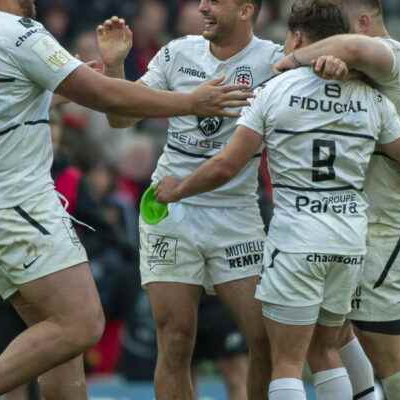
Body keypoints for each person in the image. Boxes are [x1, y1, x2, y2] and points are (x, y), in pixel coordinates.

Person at [0, 0, 253, 398]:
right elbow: (107, 99)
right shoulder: (17, 32)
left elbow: (6, 104)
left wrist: (68, 86)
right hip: (17, 204)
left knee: (60, 349)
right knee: (81, 323)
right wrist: (190, 102)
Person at [154, 1, 400, 399]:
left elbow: (226, 165)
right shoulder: (369, 97)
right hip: (351, 232)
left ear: (300, 38)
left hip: (311, 234)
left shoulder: (279, 87)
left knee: (302, 358)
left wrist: (178, 189)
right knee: (331, 343)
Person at [97, 0, 281, 397]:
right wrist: (114, 69)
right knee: (176, 341)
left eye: (215, 1)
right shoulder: (178, 52)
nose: (203, 7)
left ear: (246, 10)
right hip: (171, 208)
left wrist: (331, 63)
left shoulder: (275, 62)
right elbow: (121, 118)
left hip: (235, 213)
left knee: (265, 339)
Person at [274, 1, 400, 398]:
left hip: (389, 221)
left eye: (341, 29)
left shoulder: (394, 53)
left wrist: (293, 59)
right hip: (356, 222)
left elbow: (357, 50)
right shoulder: (359, 77)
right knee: (333, 333)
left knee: (387, 348)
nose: (333, 41)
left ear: (363, 22)